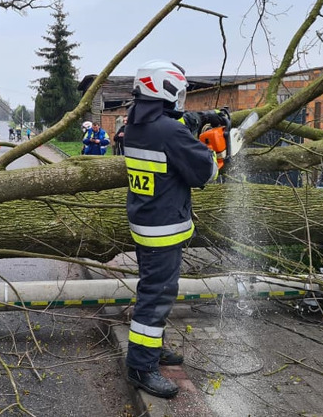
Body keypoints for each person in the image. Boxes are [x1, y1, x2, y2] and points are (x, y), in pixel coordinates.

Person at [124, 60, 218, 399]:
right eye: (178, 93)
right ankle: (140, 366)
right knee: (156, 296)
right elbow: (205, 173)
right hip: (163, 228)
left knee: (152, 291)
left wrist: (196, 122)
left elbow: (172, 129)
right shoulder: (169, 131)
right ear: (165, 90)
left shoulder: (136, 123)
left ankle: (151, 348)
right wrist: (218, 152)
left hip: (145, 222)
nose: (181, 100)